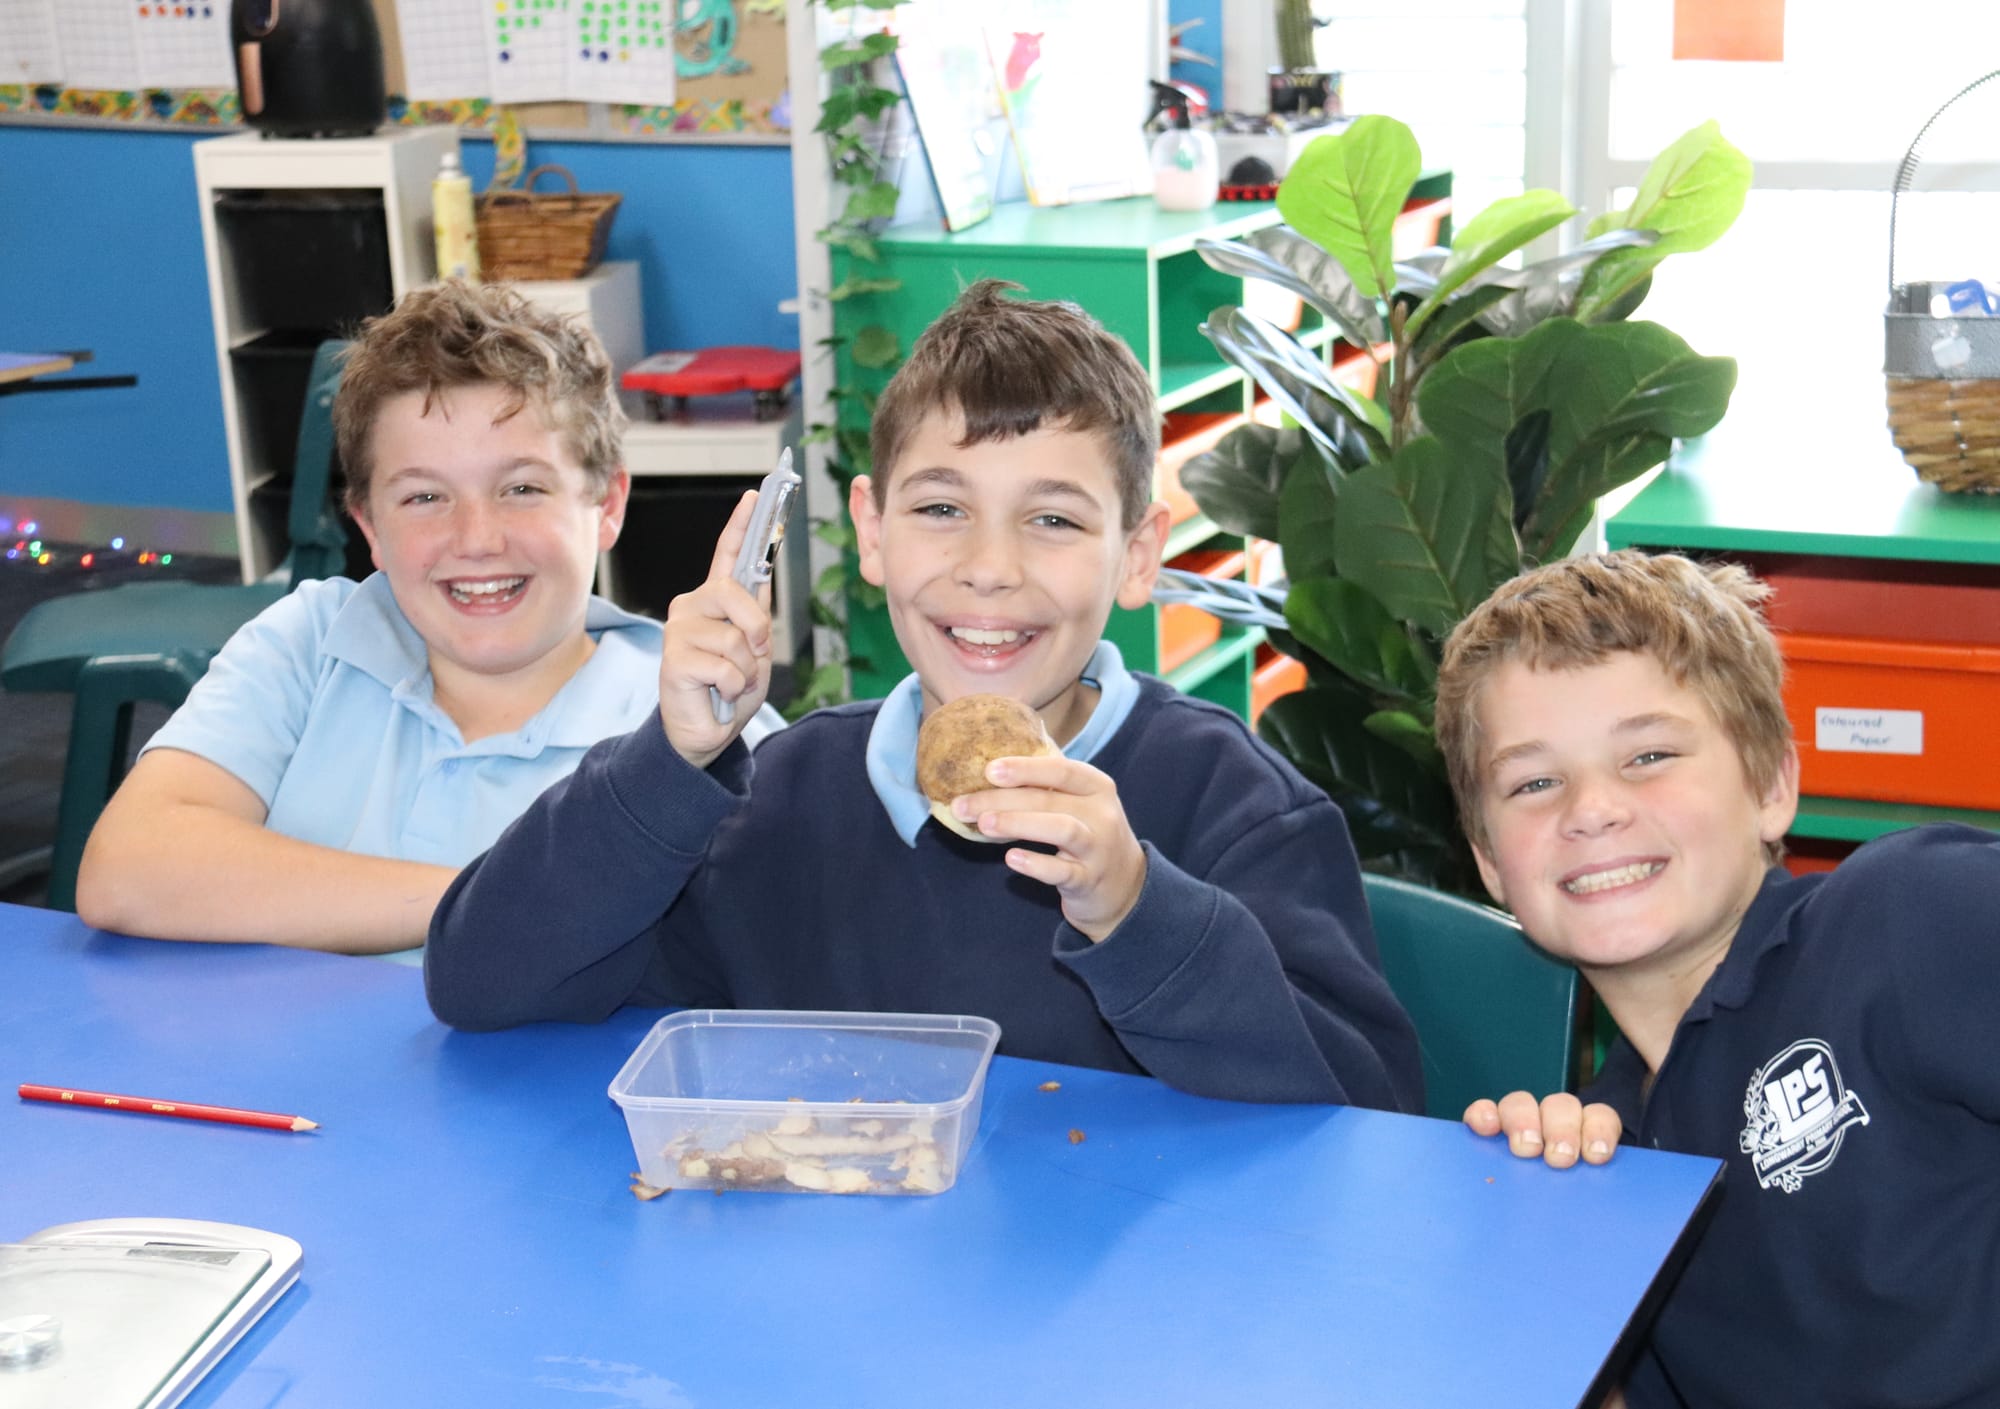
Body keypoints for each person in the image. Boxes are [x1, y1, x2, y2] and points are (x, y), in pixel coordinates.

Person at [425, 279, 1420, 1109]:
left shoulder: (1235, 807)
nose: (988, 567)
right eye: (941, 507)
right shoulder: (773, 802)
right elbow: (483, 982)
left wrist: (1134, 908)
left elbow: (1368, 1113)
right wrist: (669, 762)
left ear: (1137, 552)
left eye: (1053, 519)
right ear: (871, 530)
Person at [1432, 550, 2000, 1409]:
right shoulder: (1602, 1151)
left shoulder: (1905, 917)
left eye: (1649, 754)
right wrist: (1545, 1248)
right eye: (1535, 781)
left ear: (1771, 785)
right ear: (1488, 861)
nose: (1591, 809)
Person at [76, 283, 766, 961]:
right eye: (425, 497)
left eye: (522, 488)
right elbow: (126, 869)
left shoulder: (700, 722)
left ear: (607, 504)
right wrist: (490, 902)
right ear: (370, 528)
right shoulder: (311, 645)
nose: (477, 538)